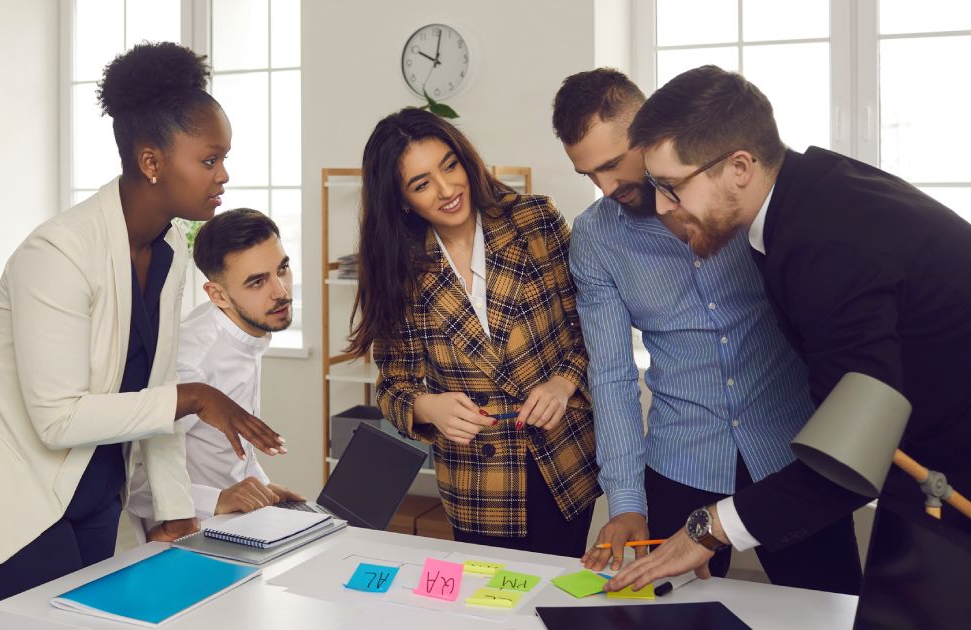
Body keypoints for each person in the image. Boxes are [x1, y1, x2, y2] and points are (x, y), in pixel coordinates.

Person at [0, 42, 285, 609]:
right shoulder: (59, 253)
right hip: (12, 497)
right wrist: (195, 396)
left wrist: (175, 513)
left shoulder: (168, 252)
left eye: (223, 159)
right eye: (209, 160)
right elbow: (57, 417)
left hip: (92, 496)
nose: (223, 175)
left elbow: (155, 394)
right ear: (152, 162)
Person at [608, 64, 971, 592]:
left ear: (739, 167)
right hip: (921, 450)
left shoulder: (827, 250)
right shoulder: (812, 186)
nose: (661, 208)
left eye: (671, 187)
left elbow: (853, 456)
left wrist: (708, 529)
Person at [551, 69, 860, 593]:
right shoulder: (597, 237)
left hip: (794, 456)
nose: (605, 188)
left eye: (611, 165)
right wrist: (626, 501)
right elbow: (612, 376)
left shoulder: (740, 198)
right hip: (681, 466)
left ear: (649, 131)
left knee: (829, 610)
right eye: (588, 175)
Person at [348, 108, 600, 557]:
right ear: (402, 200)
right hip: (479, 486)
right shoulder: (397, 270)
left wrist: (563, 383)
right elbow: (392, 387)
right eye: (422, 184)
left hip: (563, 460)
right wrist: (428, 406)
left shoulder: (534, 220)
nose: (447, 190)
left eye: (450, 166)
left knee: (561, 604)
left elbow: (593, 327)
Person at [130, 209, 305, 534]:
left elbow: (224, 453)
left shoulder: (248, 332)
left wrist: (263, 489)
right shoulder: (192, 360)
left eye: (282, 268)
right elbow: (134, 483)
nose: (281, 291)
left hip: (242, 523)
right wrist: (218, 499)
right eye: (257, 282)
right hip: (191, 538)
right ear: (218, 295)